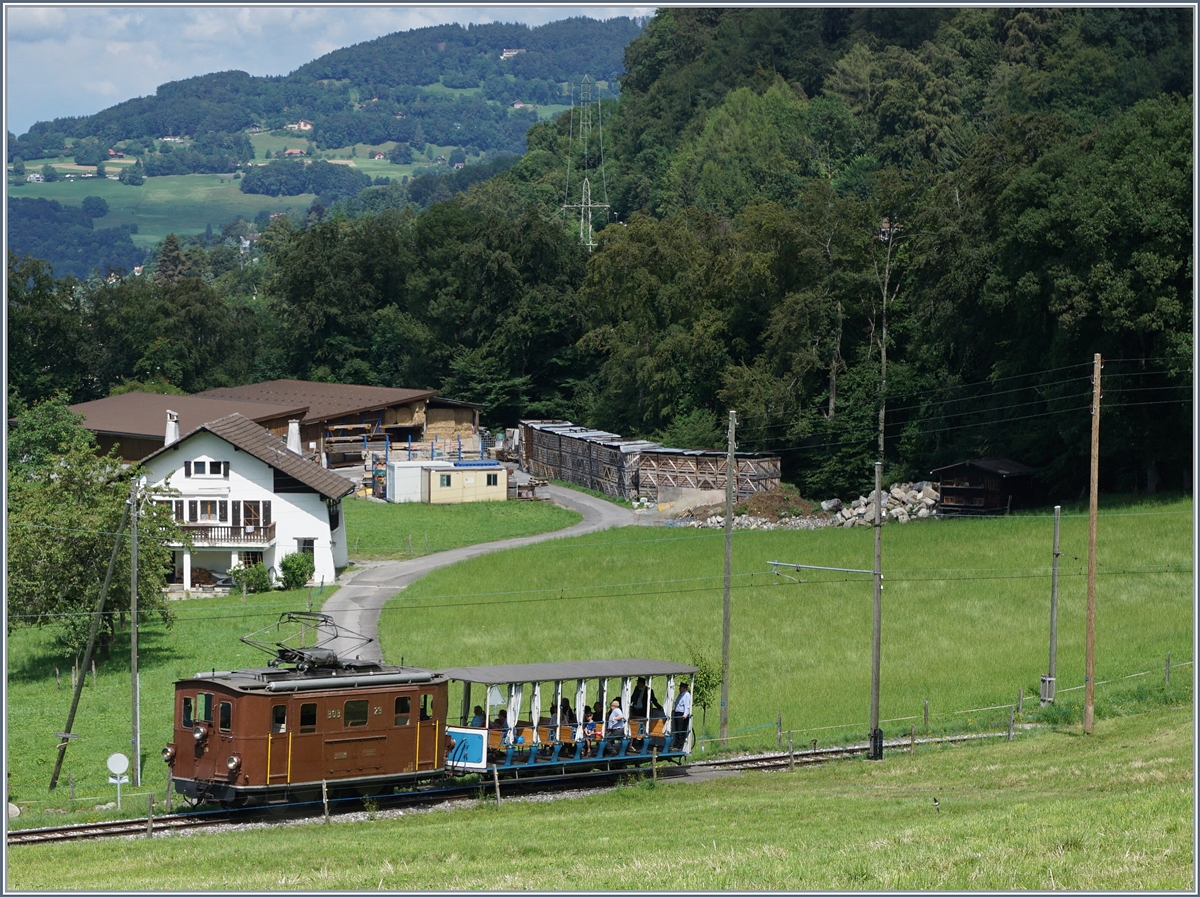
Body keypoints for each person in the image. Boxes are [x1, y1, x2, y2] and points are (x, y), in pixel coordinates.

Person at [672, 682, 692, 750]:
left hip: (682, 714)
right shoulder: (681, 694)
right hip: (677, 713)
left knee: (680, 730)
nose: (679, 689)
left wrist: (685, 714)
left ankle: (679, 746)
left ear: (684, 688)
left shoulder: (686, 695)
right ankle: (676, 744)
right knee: (677, 729)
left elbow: (687, 705)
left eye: (680, 687)